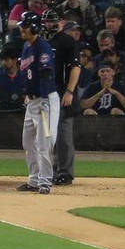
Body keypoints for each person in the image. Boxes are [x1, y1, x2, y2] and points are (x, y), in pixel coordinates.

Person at [16, 11, 59, 194]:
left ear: (34, 28)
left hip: (45, 99)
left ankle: (45, 181)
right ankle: (33, 180)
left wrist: (43, 99)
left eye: (25, 26)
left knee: (44, 142)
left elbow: (46, 73)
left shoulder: (43, 47)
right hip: (32, 100)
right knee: (28, 142)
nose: (21, 29)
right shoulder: (27, 46)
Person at [49, 19, 82, 185]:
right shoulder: (45, 41)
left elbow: (76, 67)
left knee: (63, 134)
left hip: (63, 94)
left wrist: (69, 91)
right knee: (50, 135)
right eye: (73, 29)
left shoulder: (68, 42)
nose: (76, 33)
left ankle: (65, 172)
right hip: (48, 94)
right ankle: (51, 170)